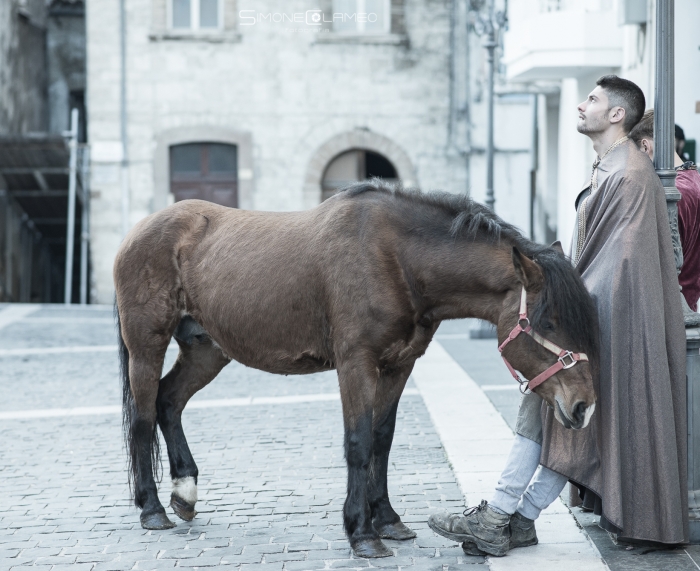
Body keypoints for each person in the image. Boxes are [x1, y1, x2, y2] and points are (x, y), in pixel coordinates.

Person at [429, 75, 688, 555]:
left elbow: (624, 264)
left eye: (592, 100)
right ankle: (515, 516)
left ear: (616, 115)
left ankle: (502, 516)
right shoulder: (611, 167)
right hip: (599, 318)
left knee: (550, 404)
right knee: (557, 410)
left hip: (613, 321)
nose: (581, 105)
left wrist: (562, 299)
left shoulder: (630, 175)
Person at [629, 110, 700, 311]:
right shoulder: (694, 179)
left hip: (668, 312)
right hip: (686, 304)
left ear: (645, 146)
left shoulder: (672, 193)